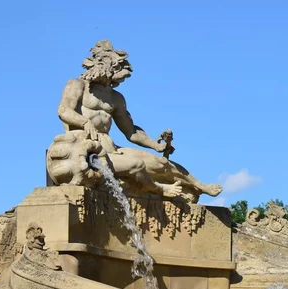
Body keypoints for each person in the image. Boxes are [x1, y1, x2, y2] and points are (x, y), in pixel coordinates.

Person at [47, 41, 222, 203]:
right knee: (137, 165)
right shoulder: (77, 85)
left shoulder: (116, 98)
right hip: (84, 149)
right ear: (109, 67)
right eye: (120, 73)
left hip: (110, 148)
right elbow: (63, 110)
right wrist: (85, 122)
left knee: (162, 163)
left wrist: (156, 145)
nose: (122, 79)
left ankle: (199, 186)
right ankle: (160, 189)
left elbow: (131, 132)